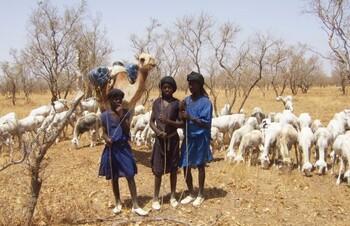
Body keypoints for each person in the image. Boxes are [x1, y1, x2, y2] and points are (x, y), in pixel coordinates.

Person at [98, 88, 148, 216]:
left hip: (124, 148)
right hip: (112, 149)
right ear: (110, 101)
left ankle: (135, 204)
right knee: (114, 177)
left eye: (119, 99)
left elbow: (127, 131)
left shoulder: (125, 113)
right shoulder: (104, 116)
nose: (118, 101)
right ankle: (118, 202)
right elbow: (102, 132)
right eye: (115, 99)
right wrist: (106, 138)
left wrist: (121, 116)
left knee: (130, 175)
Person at [179, 71, 213, 207]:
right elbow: (182, 116)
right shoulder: (186, 100)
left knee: (200, 165)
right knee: (185, 165)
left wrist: (190, 117)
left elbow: (206, 122)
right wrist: (181, 112)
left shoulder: (206, 102)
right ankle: (191, 192)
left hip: (200, 138)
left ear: (200, 85)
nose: (191, 86)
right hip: (188, 137)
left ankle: (200, 194)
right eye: (190, 84)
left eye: (194, 84)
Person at [149, 76, 183, 210]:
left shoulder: (177, 103)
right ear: (161, 88)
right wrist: (158, 131)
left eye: (169, 87)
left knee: (173, 169)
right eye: (164, 87)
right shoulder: (156, 103)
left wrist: (168, 122)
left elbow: (181, 123)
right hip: (159, 141)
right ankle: (156, 198)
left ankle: (173, 196)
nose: (167, 89)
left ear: (173, 89)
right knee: (158, 170)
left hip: (173, 140)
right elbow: (151, 122)